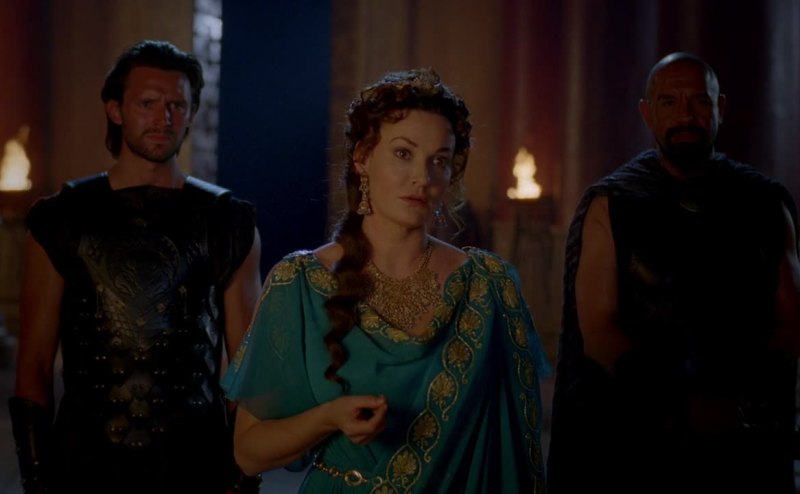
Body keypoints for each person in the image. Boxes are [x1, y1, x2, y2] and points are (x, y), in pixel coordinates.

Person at [222, 68, 550, 493]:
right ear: (362, 158)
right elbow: (249, 452)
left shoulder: (488, 286)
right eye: (403, 153)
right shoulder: (300, 283)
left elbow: (514, 451)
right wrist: (329, 418)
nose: (423, 177)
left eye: (439, 160)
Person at [9, 40, 263, 494]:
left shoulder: (227, 221)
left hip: (195, 465)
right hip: (84, 466)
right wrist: (36, 479)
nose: (163, 118)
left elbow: (245, 366)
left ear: (191, 113)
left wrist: (244, 478)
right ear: (115, 110)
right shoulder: (63, 218)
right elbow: (35, 363)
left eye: (176, 105)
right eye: (147, 103)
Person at [547, 52, 800, 494]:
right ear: (648, 113)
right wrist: (676, 404)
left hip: (743, 435)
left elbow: (790, 321)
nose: (686, 116)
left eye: (699, 101)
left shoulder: (764, 204)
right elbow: (599, 330)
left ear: (720, 108)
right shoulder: (613, 205)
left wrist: (738, 401)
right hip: (638, 439)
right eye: (670, 102)